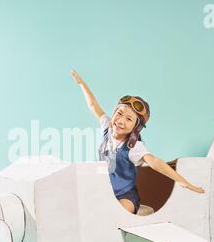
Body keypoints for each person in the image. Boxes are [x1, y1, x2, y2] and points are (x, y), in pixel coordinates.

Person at [71, 70, 205, 215]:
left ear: (136, 127)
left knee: (116, 213)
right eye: (119, 113)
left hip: (125, 196)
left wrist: (182, 181)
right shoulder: (107, 128)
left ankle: (136, 210)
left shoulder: (134, 147)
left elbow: (154, 162)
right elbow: (93, 105)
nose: (121, 121)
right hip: (104, 189)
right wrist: (81, 83)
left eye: (129, 119)